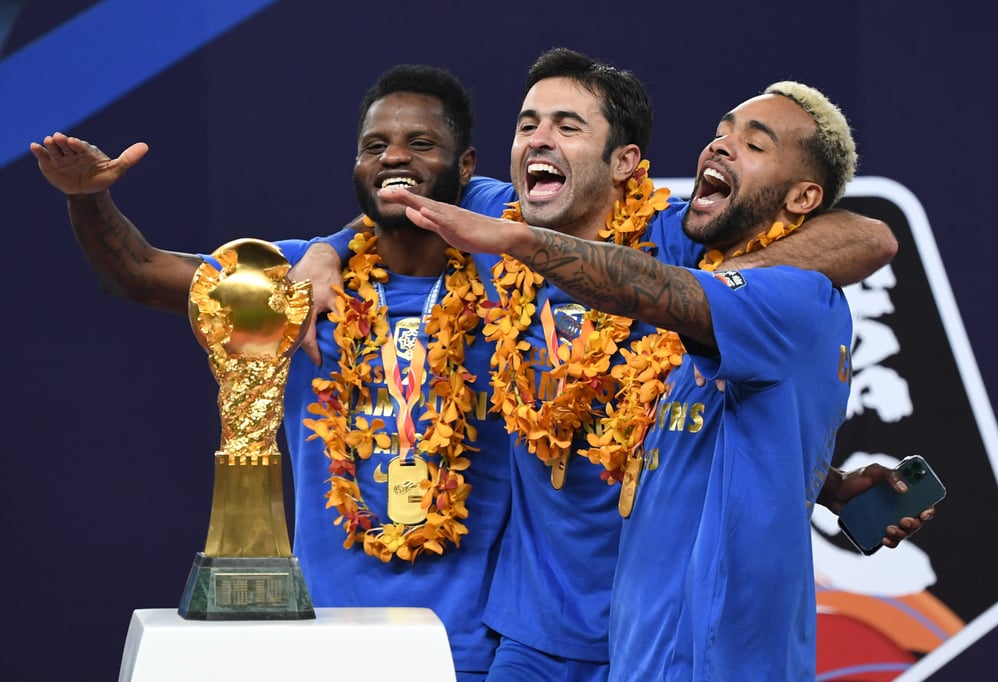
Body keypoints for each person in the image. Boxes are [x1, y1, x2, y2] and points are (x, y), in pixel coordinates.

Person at [300, 49, 929, 680]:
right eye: (527, 125)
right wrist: (325, 253)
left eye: (568, 127)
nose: (538, 140)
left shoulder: (677, 245)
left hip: (661, 633)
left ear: (624, 162)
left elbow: (869, 236)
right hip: (537, 631)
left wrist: (716, 283)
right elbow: (402, 196)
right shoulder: (499, 216)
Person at [30, 65, 511, 681]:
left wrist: (332, 243)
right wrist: (87, 197)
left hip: (471, 649)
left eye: (420, 144)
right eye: (375, 146)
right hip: (327, 640)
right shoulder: (289, 285)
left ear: (465, 164)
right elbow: (137, 273)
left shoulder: (508, 285)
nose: (395, 158)